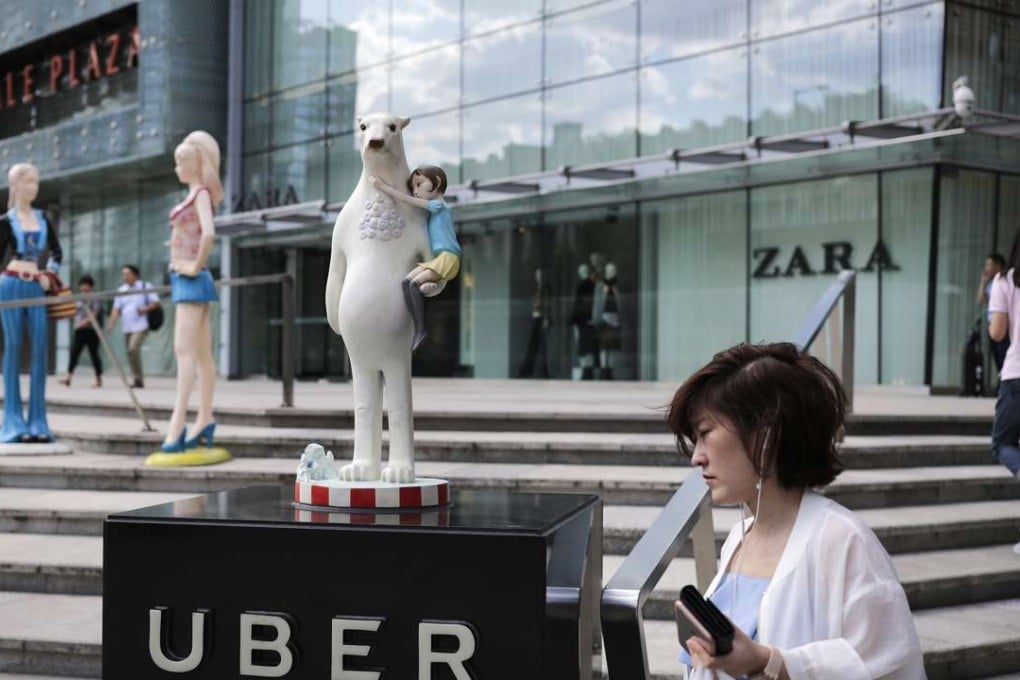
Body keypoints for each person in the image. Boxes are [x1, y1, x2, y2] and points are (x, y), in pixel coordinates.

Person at [667, 342, 925, 680]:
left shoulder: (841, 539)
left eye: (704, 433)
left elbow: (889, 663)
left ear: (765, 434)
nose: (696, 457)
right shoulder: (738, 538)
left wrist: (768, 661)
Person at [160, 130, 223, 454]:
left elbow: (209, 234)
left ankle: (178, 423)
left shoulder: (199, 193)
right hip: (187, 279)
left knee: (186, 354)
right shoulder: (195, 193)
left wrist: (194, 265)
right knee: (200, 355)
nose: (178, 167)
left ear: (196, 163)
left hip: (191, 280)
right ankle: (205, 419)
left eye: (182, 161)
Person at [0, 163, 62, 443]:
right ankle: (12, 421)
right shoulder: (5, 221)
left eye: (36, 182)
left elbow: (57, 253)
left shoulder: (43, 218)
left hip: (37, 284)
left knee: (40, 349)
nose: (32, 187)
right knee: (12, 349)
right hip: (11, 283)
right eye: (27, 182)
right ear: (14, 186)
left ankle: (38, 421)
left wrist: (50, 273)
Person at [371, 165, 459, 350]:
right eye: (414, 187)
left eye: (419, 184)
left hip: (447, 258)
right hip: (439, 259)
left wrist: (382, 186)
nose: (416, 191)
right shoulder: (436, 209)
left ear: (438, 182)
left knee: (413, 285)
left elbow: (405, 199)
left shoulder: (438, 205)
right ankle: (418, 328)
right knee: (407, 283)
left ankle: (421, 329)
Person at [107, 264, 159, 388]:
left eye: (127, 274)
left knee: (133, 348)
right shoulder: (122, 290)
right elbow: (116, 309)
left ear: (135, 275)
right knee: (130, 352)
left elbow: (156, 303)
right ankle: (137, 379)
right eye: (123, 274)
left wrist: (145, 309)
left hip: (141, 325)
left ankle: (138, 378)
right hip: (127, 326)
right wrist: (111, 324)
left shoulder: (145, 286)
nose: (124, 277)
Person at [60, 274, 103, 388]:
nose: (84, 287)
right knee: (74, 353)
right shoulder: (77, 298)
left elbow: (95, 313)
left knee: (94, 354)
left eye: (86, 285)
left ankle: (98, 379)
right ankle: (68, 377)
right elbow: (73, 311)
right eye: (82, 285)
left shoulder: (94, 298)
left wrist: (84, 322)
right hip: (79, 330)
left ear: (91, 286)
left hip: (91, 330)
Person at [978, 253, 1009, 375]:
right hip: (992, 324)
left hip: (1002, 325)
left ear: (998, 266)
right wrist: (983, 282)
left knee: (1003, 354)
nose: (987, 268)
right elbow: (981, 299)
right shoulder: (991, 284)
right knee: (996, 354)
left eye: (989, 265)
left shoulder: (1004, 282)